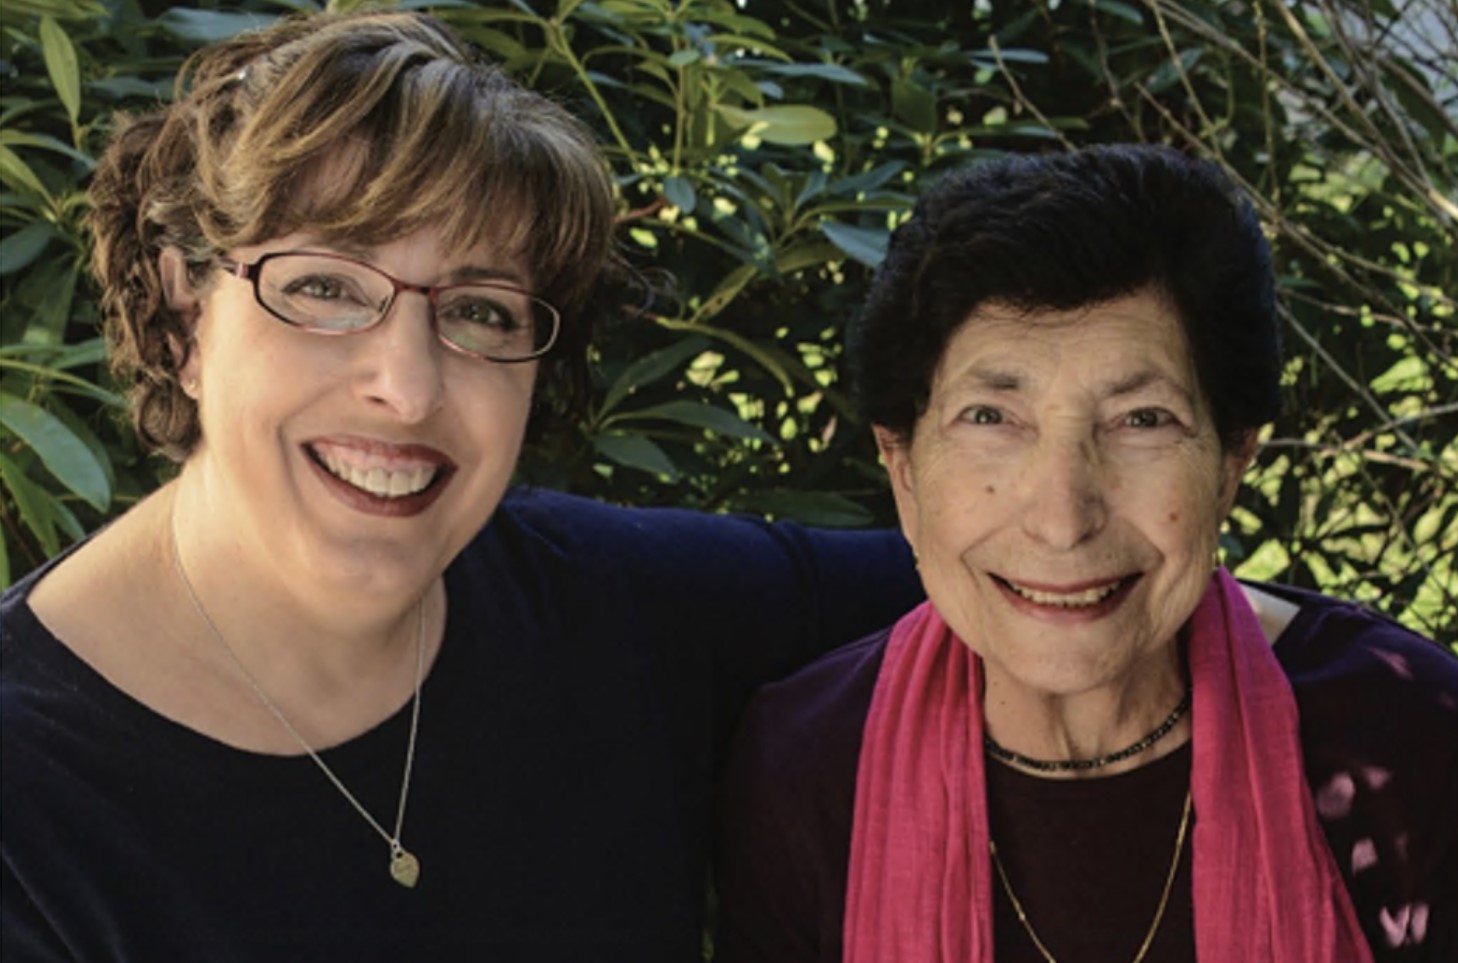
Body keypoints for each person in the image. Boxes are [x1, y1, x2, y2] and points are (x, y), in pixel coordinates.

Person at [0, 11, 922, 961]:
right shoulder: (25, 803)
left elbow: (979, 571)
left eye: (479, 310)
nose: (407, 389)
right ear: (183, 313)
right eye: (325, 287)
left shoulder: (622, 610)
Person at [714, 146, 1458, 963]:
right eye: (991, 418)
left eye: (1142, 419)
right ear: (904, 471)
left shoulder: (1411, 736)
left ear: (1230, 464)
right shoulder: (808, 768)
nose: (1063, 519)